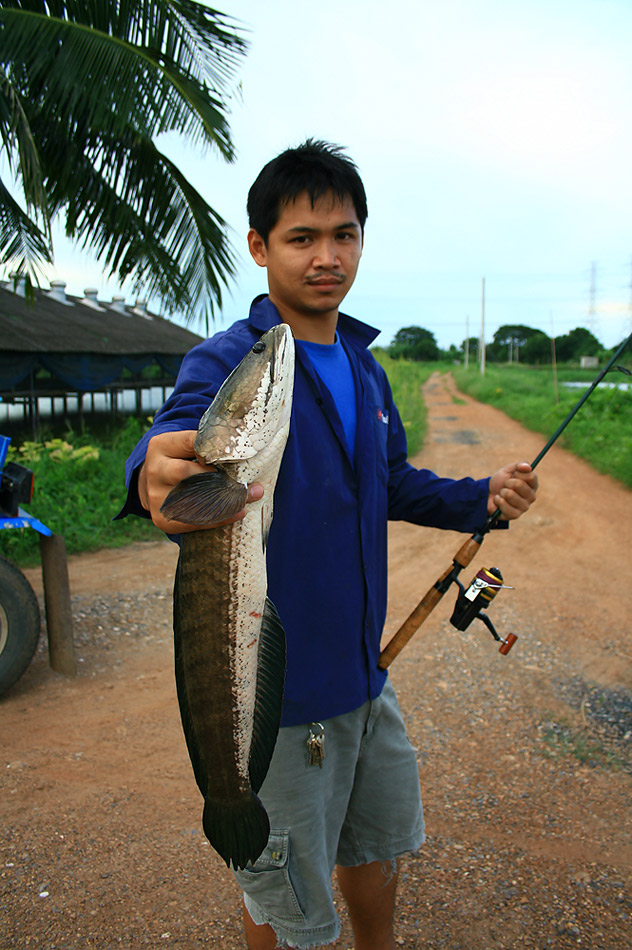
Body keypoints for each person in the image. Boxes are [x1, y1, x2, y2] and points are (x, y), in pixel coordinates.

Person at [119, 140, 538, 949]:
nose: (326, 257)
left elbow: (391, 483)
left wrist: (480, 496)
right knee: (280, 888)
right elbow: (178, 435)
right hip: (276, 704)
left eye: (343, 235)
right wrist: (152, 473)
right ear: (260, 247)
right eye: (301, 238)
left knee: (375, 847)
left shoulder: (365, 367)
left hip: (364, 674)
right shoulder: (233, 357)